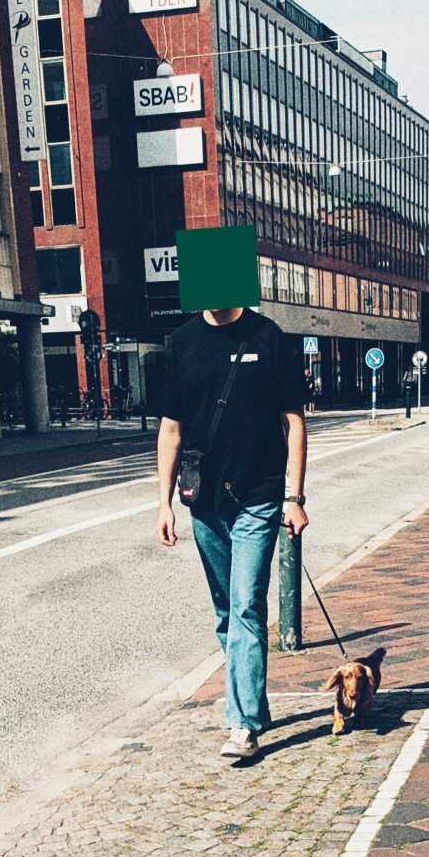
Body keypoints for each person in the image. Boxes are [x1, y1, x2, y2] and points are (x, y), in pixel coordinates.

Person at [157, 305, 308, 760]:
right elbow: (171, 429)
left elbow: (294, 421)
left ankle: (240, 725)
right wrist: (162, 503)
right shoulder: (181, 343)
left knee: (245, 604)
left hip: (259, 497)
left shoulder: (267, 335)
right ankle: (254, 703)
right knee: (227, 612)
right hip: (203, 500)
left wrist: (294, 498)